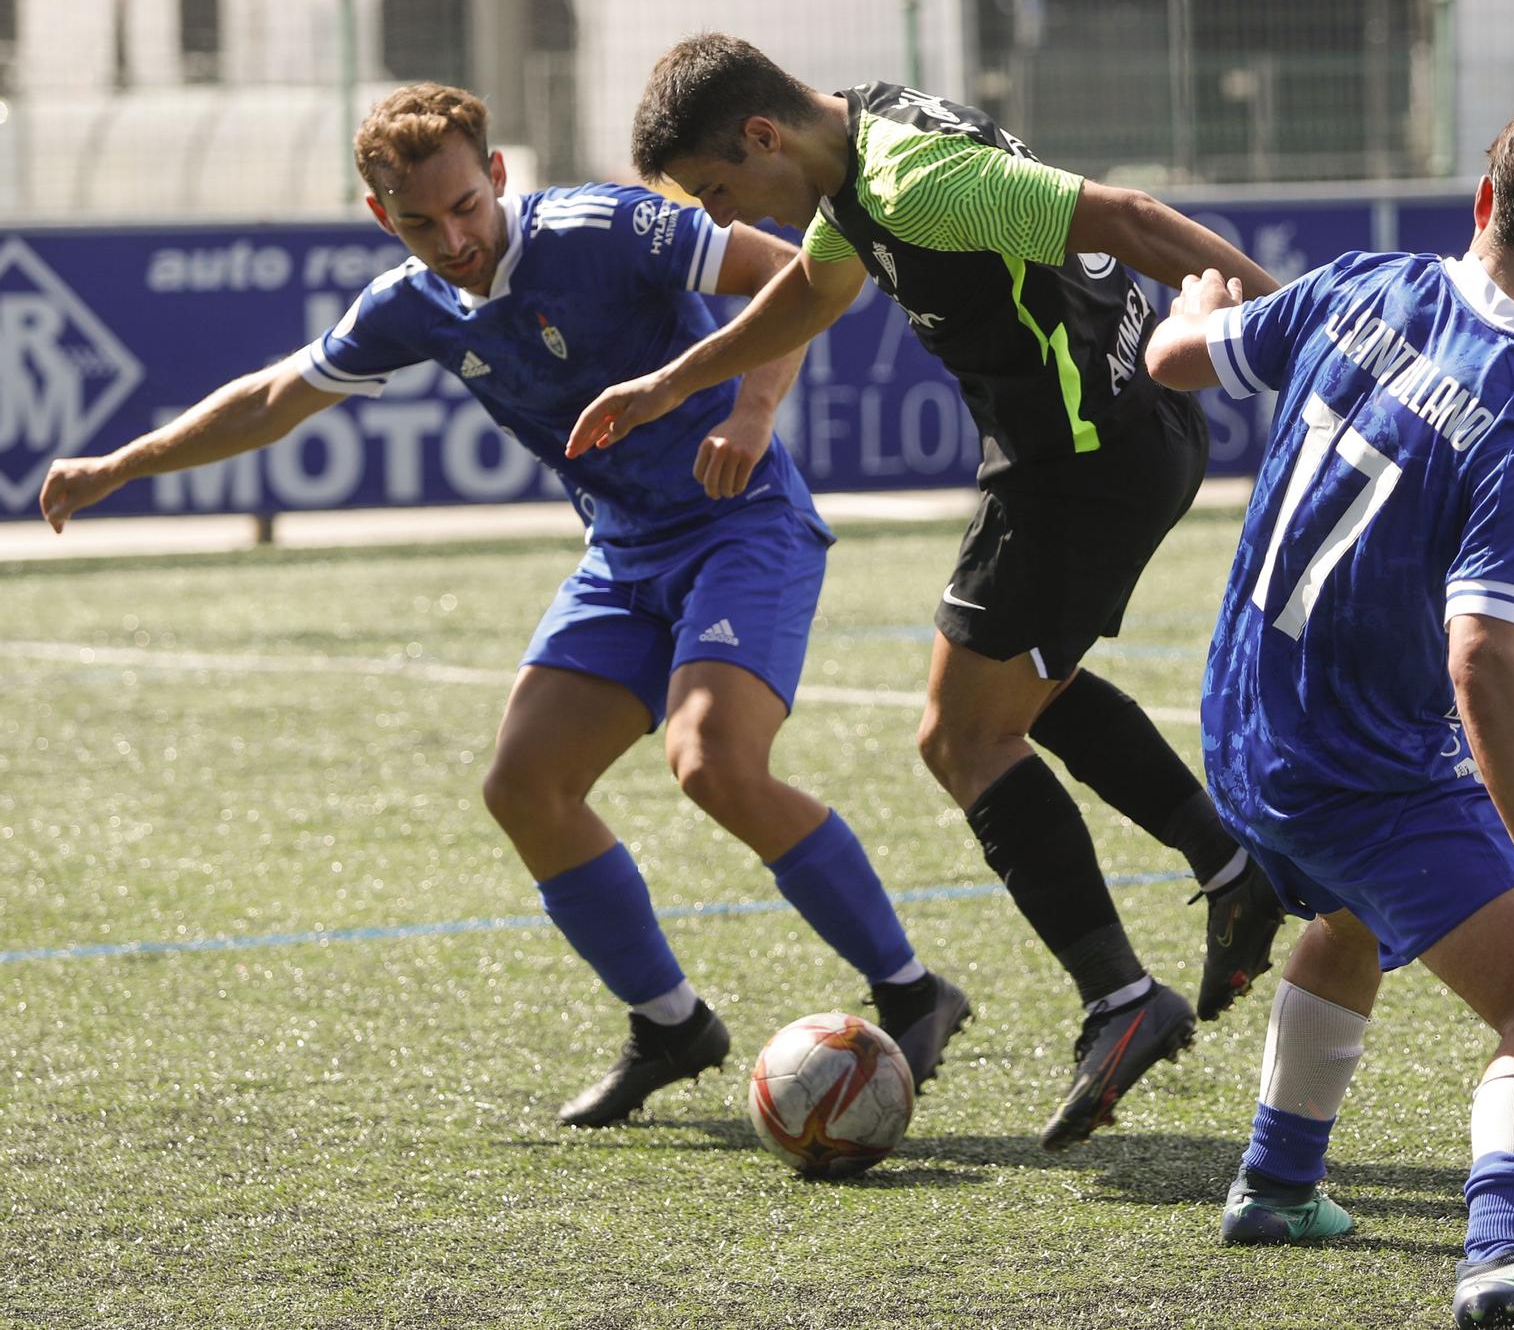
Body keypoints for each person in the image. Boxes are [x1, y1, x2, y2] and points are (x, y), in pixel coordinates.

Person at [37, 82, 969, 1128]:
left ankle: (909, 988)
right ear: (382, 219)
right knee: (525, 785)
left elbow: (798, 278)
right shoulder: (408, 304)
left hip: (739, 524)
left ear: (496, 176)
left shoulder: (609, 226)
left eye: (465, 208)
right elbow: (269, 398)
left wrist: (753, 412)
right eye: (421, 223)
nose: (453, 238)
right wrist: (118, 463)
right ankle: (669, 1022)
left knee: (711, 763)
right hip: (621, 559)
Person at [566, 33, 1292, 1150]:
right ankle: (1231, 868)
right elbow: (813, 288)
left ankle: (1120, 995)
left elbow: (1135, 220)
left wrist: (1306, 330)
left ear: (762, 136)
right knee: (1022, 696)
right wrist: (674, 384)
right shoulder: (854, 147)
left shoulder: (911, 174)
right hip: (1108, 440)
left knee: (961, 740)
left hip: (1076, 462)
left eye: (721, 190)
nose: (727, 213)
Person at [1148, 99, 1514, 1328]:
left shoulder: (1360, 281)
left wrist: (1191, 315)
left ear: (1482, 200)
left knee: (1349, 916)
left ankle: (1277, 1182)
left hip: (1239, 725)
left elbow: (1175, 363)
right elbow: (1482, 661)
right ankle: (1505, 1251)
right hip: (1355, 764)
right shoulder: (1513, 423)